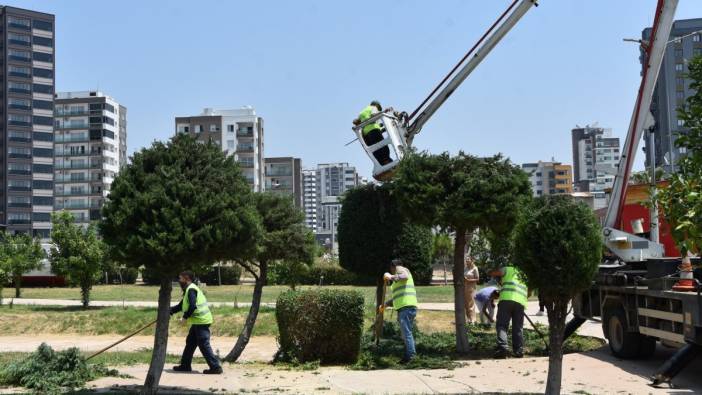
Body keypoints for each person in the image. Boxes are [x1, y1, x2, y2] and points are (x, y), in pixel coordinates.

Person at [170, 271, 223, 374]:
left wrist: (184, 318)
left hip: (201, 321)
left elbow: (193, 306)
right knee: (190, 343)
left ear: (186, 279)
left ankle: (215, 367)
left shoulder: (191, 290)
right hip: (197, 322)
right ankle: (185, 366)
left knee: (203, 344)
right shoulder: (188, 290)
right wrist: (170, 310)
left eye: (180, 278)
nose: (179, 281)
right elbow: (181, 306)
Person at [381, 258, 418, 363]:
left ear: (393, 266)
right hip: (406, 308)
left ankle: (410, 357)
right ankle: (409, 355)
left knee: (406, 333)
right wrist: (385, 305)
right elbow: (397, 297)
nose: (392, 270)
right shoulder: (397, 282)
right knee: (406, 333)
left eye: (391, 268)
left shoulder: (400, 269)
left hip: (406, 308)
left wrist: (391, 276)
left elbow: (404, 276)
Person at [490, 265, 528, 359]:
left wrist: (490, 270)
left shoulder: (508, 269)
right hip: (520, 302)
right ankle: (518, 351)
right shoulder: (525, 275)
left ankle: (503, 348)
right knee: (518, 327)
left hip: (506, 300)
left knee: (502, 325)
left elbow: (493, 273)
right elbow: (529, 292)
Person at [353, 101, 392, 165]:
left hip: (366, 134)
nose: (377, 110)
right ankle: (387, 160)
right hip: (374, 130)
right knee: (383, 147)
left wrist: (380, 125)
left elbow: (356, 121)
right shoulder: (373, 107)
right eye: (378, 109)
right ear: (377, 105)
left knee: (375, 149)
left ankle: (381, 163)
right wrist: (383, 112)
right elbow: (373, 115)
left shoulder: (361, 112)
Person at [463, 258, 479, 323]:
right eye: (466, 260)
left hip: (471, 288)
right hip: (464, 288)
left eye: (468, 260)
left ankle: (473, 319)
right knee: (466, 304)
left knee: (471, 304)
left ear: (472, 261)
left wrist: (468, 280)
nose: (466, 261)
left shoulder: (475, 268)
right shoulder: (465, 268)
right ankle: (468, 319)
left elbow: (477, 279)